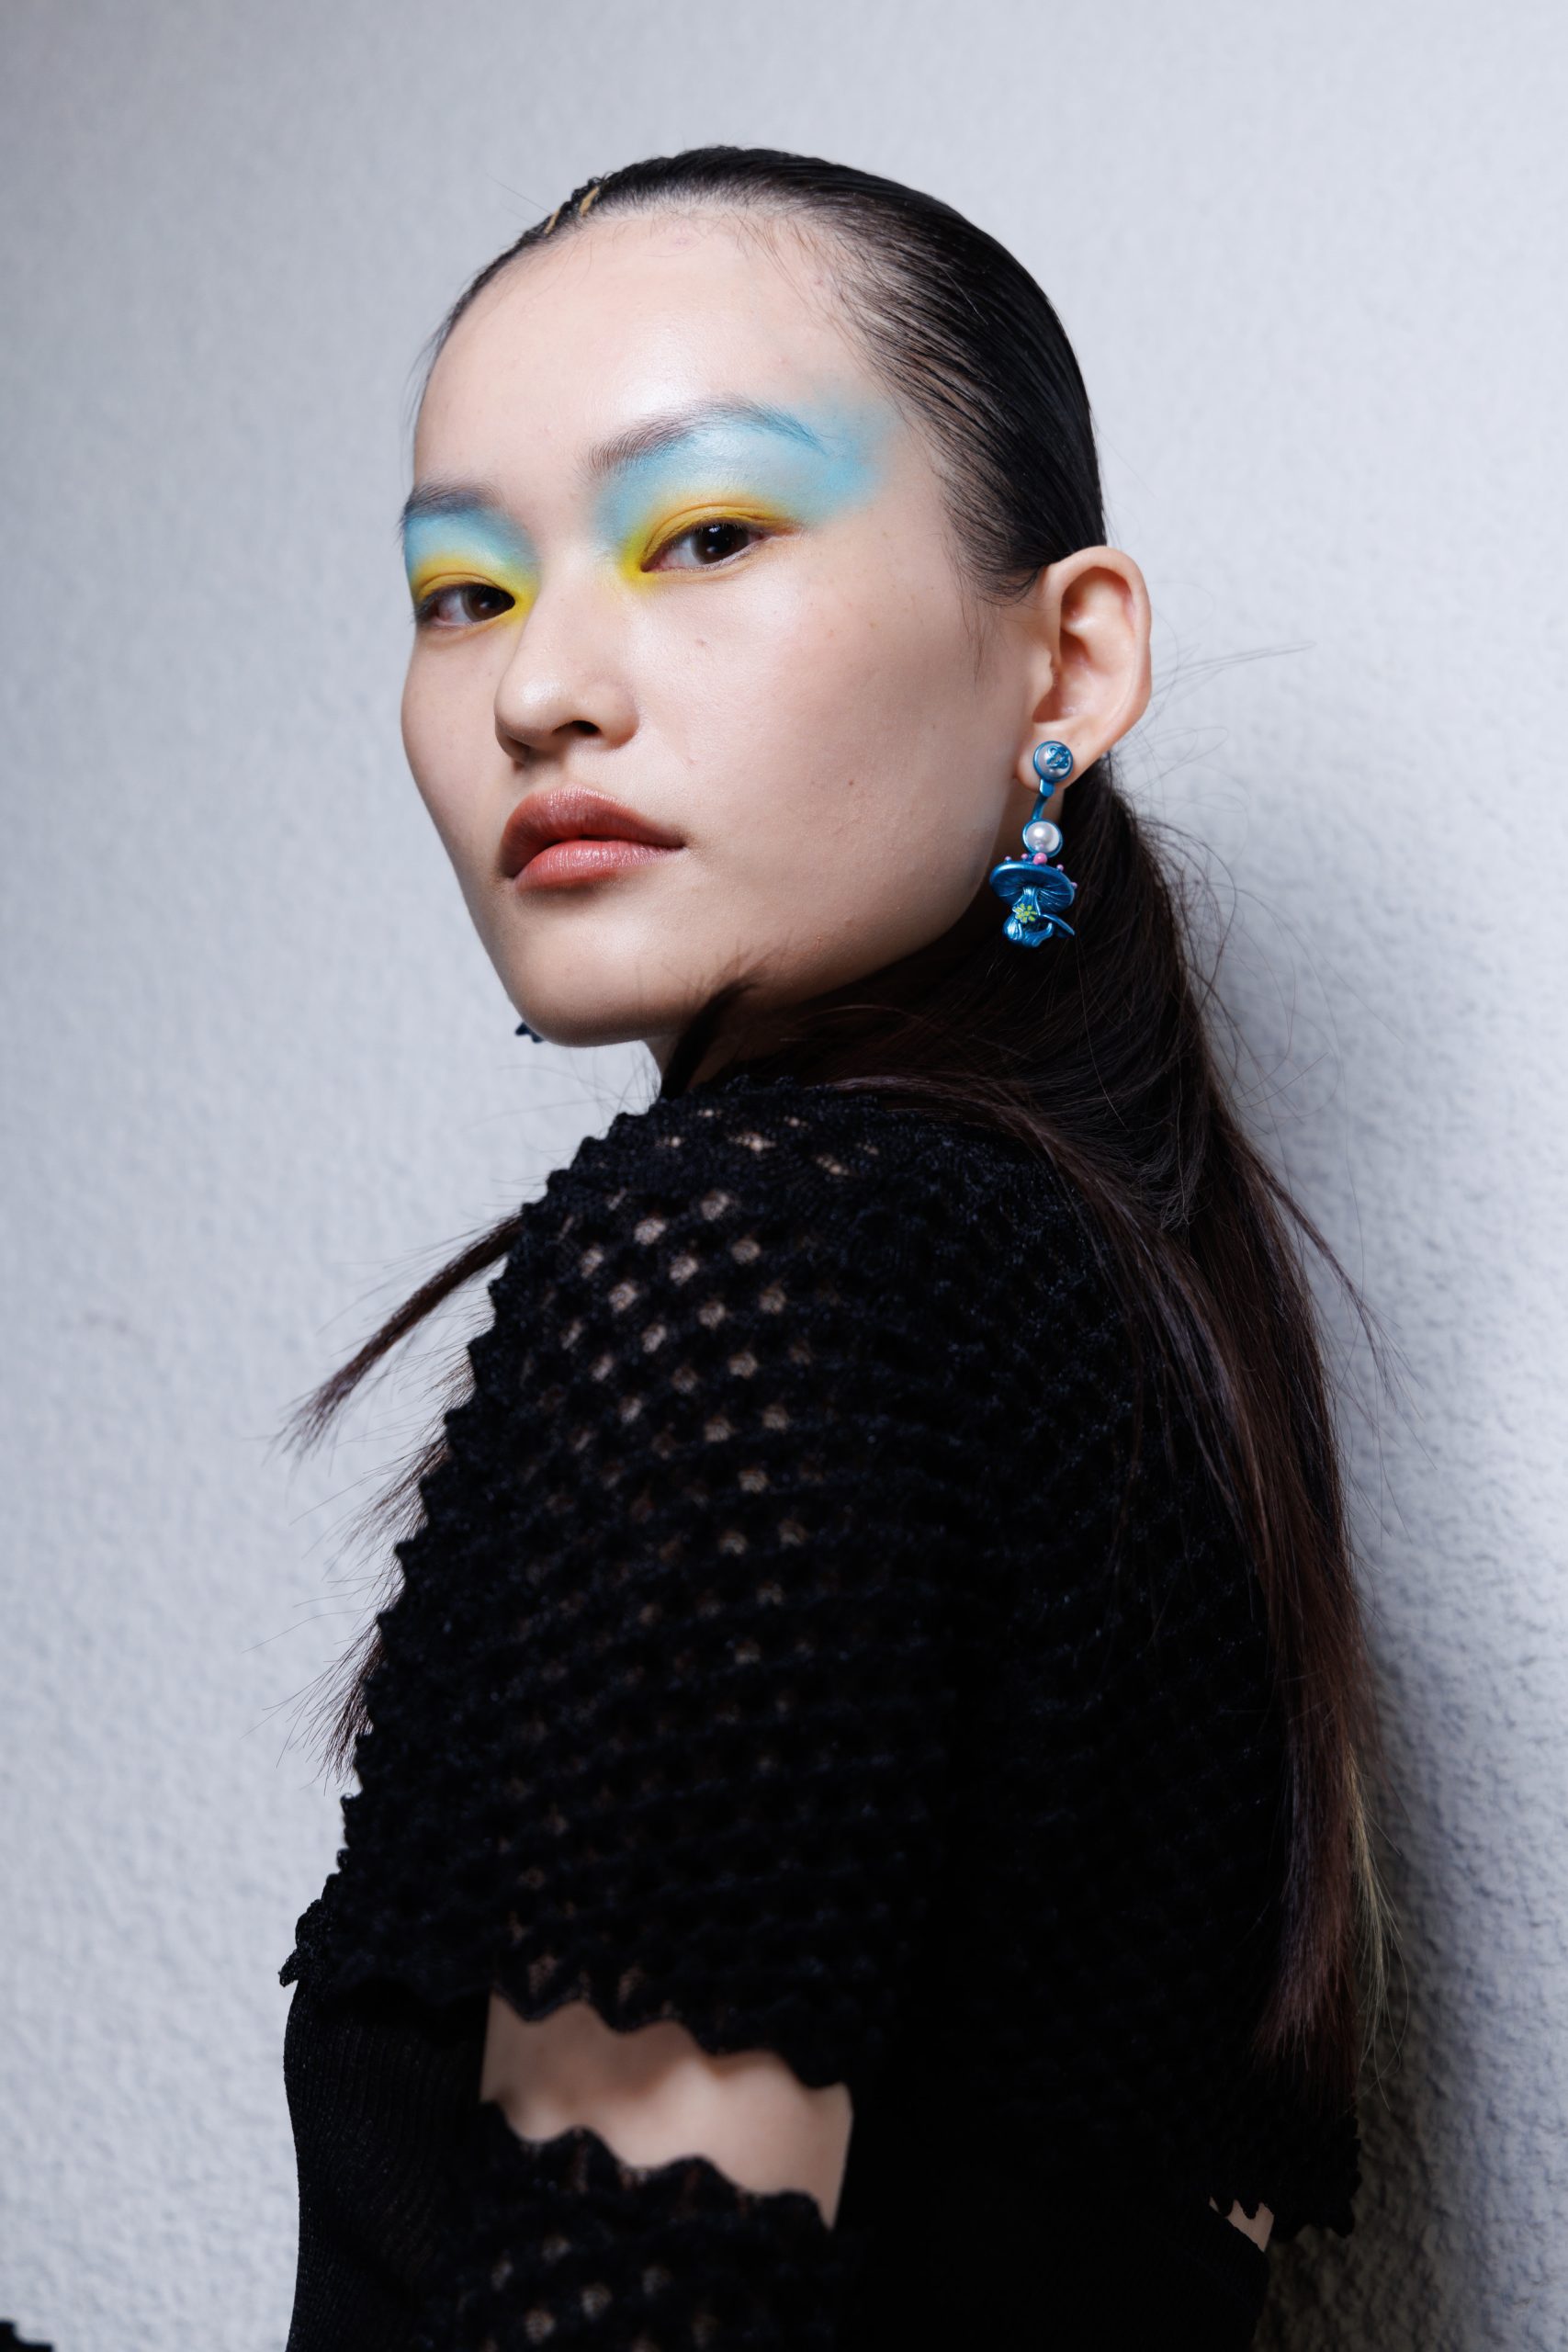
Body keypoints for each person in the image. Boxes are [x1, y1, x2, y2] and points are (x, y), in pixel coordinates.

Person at [276, 145, 1384, 2350]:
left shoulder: (747, 1256)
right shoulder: (1119, 1338)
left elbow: (636, 2311)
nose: (536, 688)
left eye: (702, 535)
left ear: (1066, 657)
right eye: (463, 589)